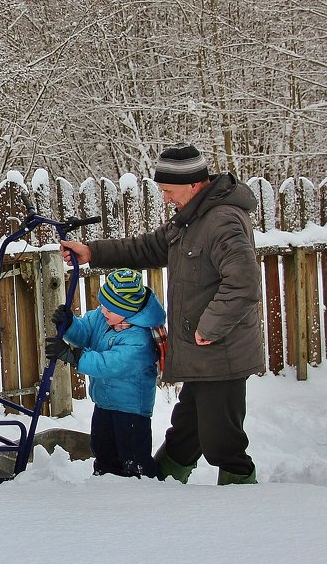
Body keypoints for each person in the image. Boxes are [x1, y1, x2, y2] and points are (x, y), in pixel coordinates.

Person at [60, 143, 264, 485]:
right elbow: (147, 248)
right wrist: (91, 252)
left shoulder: (222, 220)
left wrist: (210, 327)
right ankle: (161, 487)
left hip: (222, 351)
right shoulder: (190, 220)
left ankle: (242, 499)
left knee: (221, 443)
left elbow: (243, 282)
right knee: (186, 432)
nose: (166, 198)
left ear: (194, 184)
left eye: (169, 191)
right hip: (201, 350)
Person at [45, 268, 166, 478]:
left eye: (109, 308)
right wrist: (70, 324)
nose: (103, 311)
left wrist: (74, 356)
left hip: (131, 410)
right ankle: (104, 484)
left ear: (128, 310)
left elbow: (109, 364)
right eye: (102, 305)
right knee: (102, 449)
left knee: (133, 457)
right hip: (105, 403)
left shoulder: (139, 338)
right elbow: (85, 332)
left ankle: (145, 490)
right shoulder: (104, 318)